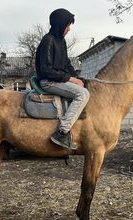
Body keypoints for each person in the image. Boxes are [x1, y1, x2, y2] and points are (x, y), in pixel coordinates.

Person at [35, 8, 90, 150]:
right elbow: (46, 70)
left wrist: (78, 79)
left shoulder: (61, 42)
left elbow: (66, 64)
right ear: (60, 25)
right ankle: (62, 132)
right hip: (48, 82)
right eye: (67, 25)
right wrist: (71, 80)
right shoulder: (48, 41)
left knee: (85, 87)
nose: (69, 29)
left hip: (59, 80)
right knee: (82, 94)